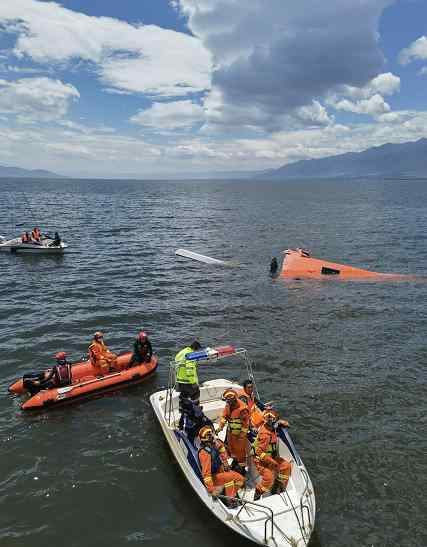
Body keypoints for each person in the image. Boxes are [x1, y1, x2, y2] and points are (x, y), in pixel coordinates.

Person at [198, 425, 244, 508]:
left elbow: (222, 450)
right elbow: (206, 474)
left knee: (232, 480)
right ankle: (230, 499)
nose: (212, 435)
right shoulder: (204, 453)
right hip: (213, 477)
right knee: (239, 479)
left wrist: (226, 463)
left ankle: (230, 496)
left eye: (211, 433)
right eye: (209, 435)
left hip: (220, 471)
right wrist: (211, 490)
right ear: (205, 439)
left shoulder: (215, 444)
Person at [253, 409, 292, 500]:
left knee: (286, 466)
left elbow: (285, 424)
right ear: (265, 420)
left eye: (272, 419)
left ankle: (278, 485)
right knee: (269, 478)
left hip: (270, 457)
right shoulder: (265, 435)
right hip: (260, 460)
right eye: (268, 419)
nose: (270, 421)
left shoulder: (272, 427)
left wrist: (281, 422)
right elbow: (259, 452)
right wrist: (272, 462)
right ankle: (258, 494)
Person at [217, 389, 250, 474]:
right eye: (227, 400)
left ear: (234, 399)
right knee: (231, 450)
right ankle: (235, 462)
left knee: (240, 453)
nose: (228, 402)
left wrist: (241, 437)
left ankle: (242, 470)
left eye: (230, 400)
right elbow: (224, 416)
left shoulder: (243, 408)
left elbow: (245, 425)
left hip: (239, 435)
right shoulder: (228, 405)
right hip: (230, 433)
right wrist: (221, 426)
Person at [175, 340, 202, 406]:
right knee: (195, 395)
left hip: (180, 380)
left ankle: (182, 410)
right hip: (188, 382)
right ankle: (196, 411)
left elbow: (176, 362)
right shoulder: (191, 355)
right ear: (196, 348)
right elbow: (190, 369)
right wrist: (193, 382)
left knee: (184, 396)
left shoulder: (182, 352)